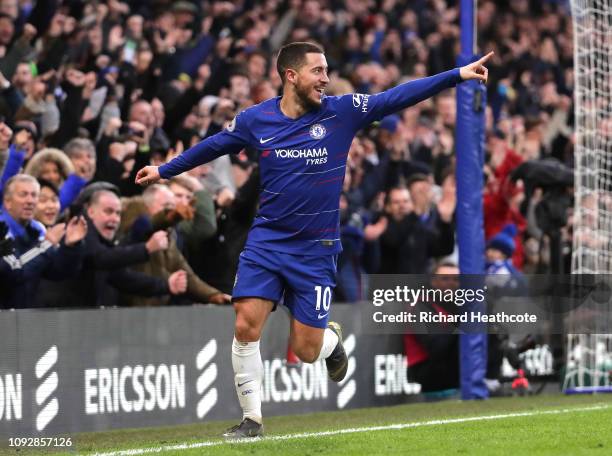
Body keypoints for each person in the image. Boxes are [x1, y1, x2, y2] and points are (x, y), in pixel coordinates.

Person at [136, 42, 492, 438]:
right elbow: (217, 144)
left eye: (326, 70)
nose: (325, 78)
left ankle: (330, 342)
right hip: (267, 242)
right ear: (291, 75)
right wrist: (165, 170)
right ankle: (251, 420)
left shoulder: (342, 113)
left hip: (315, 250)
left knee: (307, 351)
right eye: (317, 71)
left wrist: (456, 75)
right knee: (245, 325)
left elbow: (395, 97)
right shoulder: (257, 120)